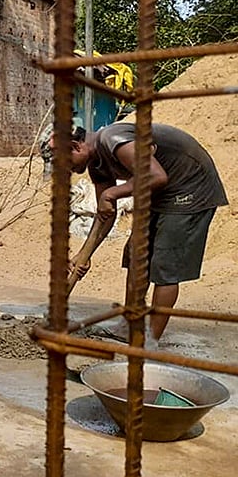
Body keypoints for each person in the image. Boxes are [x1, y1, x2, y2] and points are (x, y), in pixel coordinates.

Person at [66, 121, 228, 344]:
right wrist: (84, 254)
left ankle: (150, 340)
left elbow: (156, 176)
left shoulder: (113, 139)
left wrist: (111, 193)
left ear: (76, 146)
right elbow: (106, 214)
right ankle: (129, 326)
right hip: (161, 192)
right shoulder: (97, 165)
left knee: (165, 266)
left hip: (190, 187)